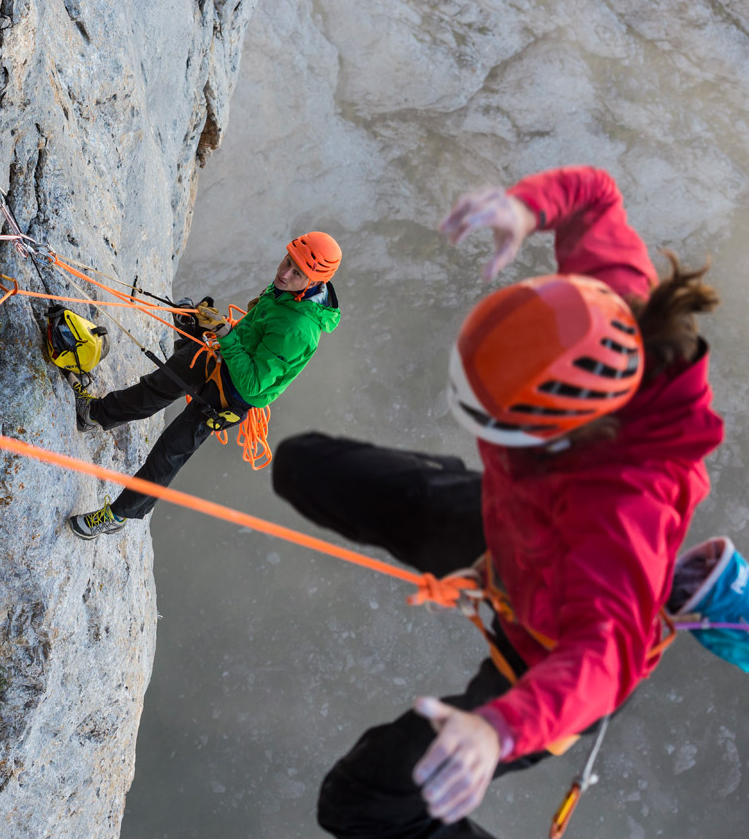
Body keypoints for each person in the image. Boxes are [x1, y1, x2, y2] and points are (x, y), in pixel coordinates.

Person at [271, 166, 723, 837]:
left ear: (560, 433)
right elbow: (595, 196)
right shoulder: (609, 309)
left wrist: (494, 730)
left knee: (360, 800)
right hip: (509, 525)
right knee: (300, 465)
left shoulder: (623, 513)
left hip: (547, 656)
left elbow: (605, 656)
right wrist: (524, 207)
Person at [66, 232, 343, 539]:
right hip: (223, 357)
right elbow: (256, 333)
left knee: (169, 452)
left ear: (314, 282)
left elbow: (252, 384)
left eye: (297, 273)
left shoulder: (298, 330)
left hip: (231, 395)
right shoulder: (289, 290)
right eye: (288, 261)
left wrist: (225, 332)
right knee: (157, 386)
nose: (284, 273)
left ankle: (117, 516)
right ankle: (93, 415)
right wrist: (215, 327)